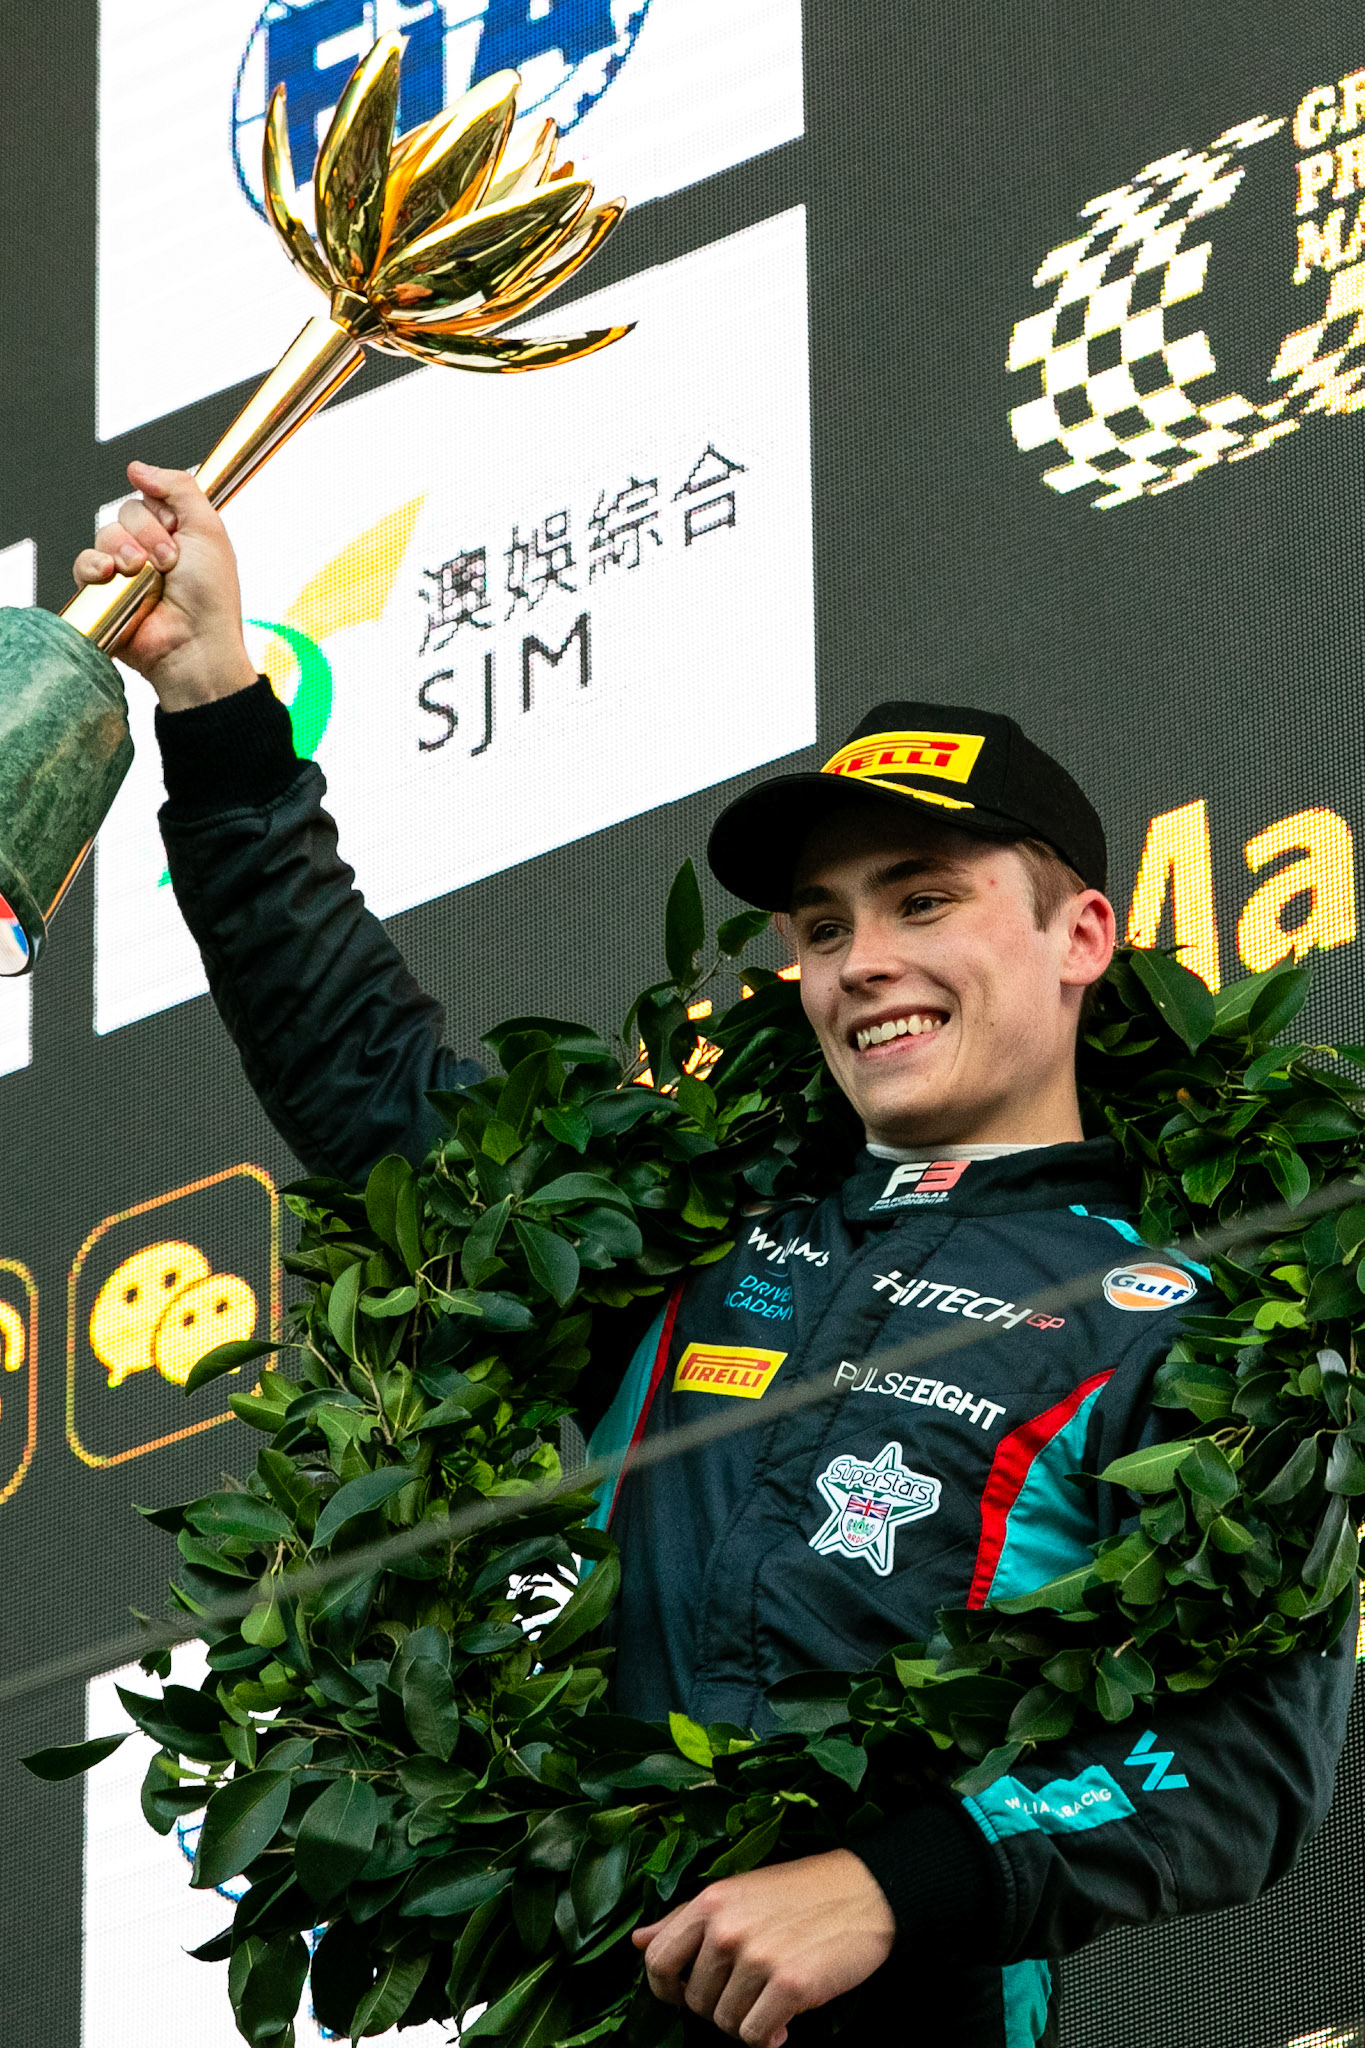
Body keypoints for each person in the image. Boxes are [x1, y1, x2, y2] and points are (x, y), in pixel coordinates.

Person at [74, 467, 1356, 2048]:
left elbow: (1242, 1763)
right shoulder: (675, 1236)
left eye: (924, 901)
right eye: (821, 927)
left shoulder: (1191, 1324)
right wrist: (214, 704)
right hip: (600, 1997)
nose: (862, 962)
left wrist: (887, 1885)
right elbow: (367, 1079)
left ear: (1079, 935)